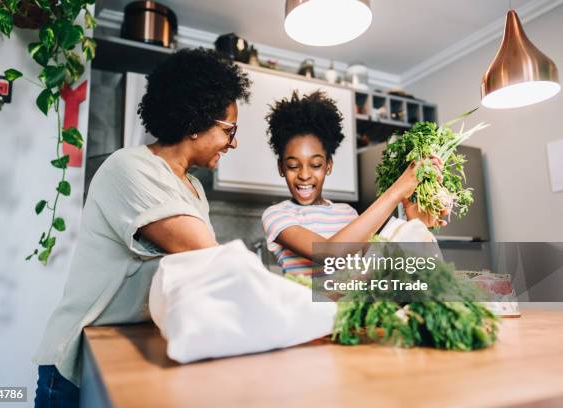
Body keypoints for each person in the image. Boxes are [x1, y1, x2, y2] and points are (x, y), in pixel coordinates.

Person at [33, 48, 251, 407]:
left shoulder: (193, 189)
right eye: (230, 130)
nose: (234, 142)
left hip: (124, 343)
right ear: (197, 123)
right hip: (75, 362)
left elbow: (196, 277)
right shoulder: (130, 168)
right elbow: (208, 258)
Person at [261, 91, 446, 276]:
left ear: (328, 166)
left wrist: (415, 221)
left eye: (316, 165)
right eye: (293, 166)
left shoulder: (347, 213)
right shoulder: (277, 215)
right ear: (281, 168)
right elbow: (330, 254)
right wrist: (396, 191)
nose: (304, 175)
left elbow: (373, 269)